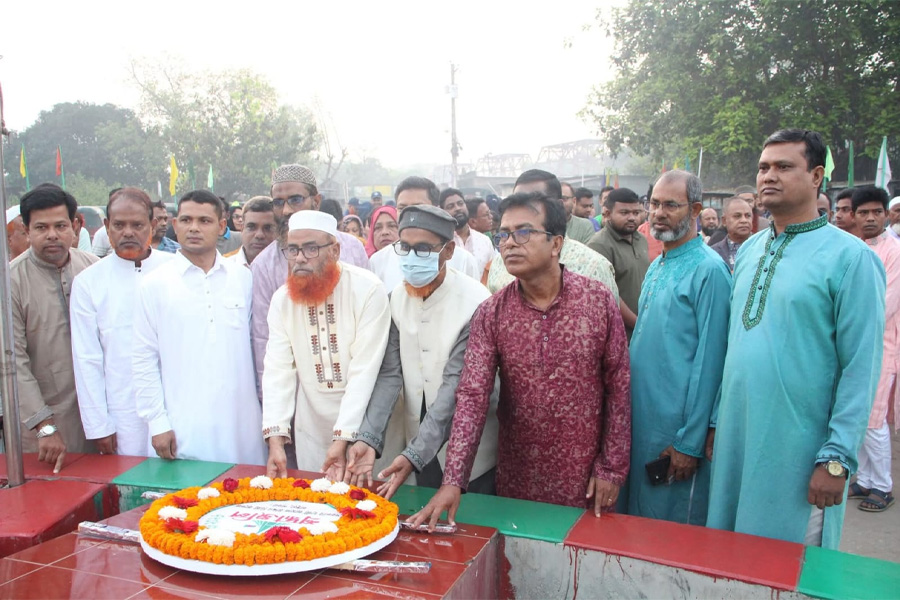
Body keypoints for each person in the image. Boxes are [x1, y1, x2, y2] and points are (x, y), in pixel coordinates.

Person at [409, 191, 631, 530]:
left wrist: (611, 468)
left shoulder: (597, 301)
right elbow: (472, 397)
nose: (510, 243)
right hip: (518, 478)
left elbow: (619, 387)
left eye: (523, 232)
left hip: (586, 479)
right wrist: (453, 480)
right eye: (504, 235)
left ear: (556, 243)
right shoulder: (492, 313)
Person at [707, 129, 885, 549]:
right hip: (736, 439)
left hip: (800, 449)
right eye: (763, 167)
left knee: (787, 565)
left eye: (784, 166)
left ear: (816, 176)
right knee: (730, 559)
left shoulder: (852, 258)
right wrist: (716, 422)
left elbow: (861, 367)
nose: (768, 176)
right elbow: (735, 347)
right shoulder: (749, 250)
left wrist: (837, 458)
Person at [345, 205, 498, 498]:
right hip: (417, 440)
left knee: (470, 520)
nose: (412, 257)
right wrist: (368, 437)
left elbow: (457, 385)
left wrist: (415, 454)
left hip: (471, 453)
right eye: (405, 247)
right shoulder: (395, 298)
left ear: (449, 250)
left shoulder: (477, 302)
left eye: (424, 249)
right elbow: (390, 375)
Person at [625, 171, 732, 525]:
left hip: (677, 428)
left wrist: (690, 441)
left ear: (695, 209)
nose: (658, 213)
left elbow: (712, 363)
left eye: (671, 205)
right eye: (654, 203)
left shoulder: (710, 270)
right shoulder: (658, 264)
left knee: (670, 529)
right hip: (642, 418)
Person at [133, 190, 265, 465]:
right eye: (186, 220)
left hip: (242, 425)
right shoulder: (155, 284)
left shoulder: (243, 278)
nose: (194, 228)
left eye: (204, 221)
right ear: (175, 224)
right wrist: (157, 421)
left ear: (221, 226)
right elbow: (143, 358)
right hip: (184, 426)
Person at [262, 211, 391, 479]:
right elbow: (278, 370)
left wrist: (343, 437)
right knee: (318, 500)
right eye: (293, 249)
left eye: (311, 248)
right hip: (312, 429)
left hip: (366, 431)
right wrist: (275, 439)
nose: (299, 258)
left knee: (369, 502)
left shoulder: (367, 289)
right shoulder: (282, 300)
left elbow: (365, 369)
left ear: (335, 250)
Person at [71, 187, 174, 457]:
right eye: (119, 225)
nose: (128, 232)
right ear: (107, 227)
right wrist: (98, 425)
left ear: (152, 225)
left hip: (177, 404)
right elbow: (87, 359)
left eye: (137, 225)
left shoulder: (176, 270)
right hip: (122, 410)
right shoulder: (88, 282)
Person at [251, 165, 369, 399]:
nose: (286, 210)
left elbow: (369, 327)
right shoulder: (264, 266)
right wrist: (273, 405)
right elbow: (264, 341)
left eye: (295, 200)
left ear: (316, 201)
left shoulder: (352, 249)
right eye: (278, 202)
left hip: (355, 388)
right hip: (298, 396)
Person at [10, 184, 99, 471]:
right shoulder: (10, 282)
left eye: (60, 226)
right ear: (27, 230)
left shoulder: (94, 270)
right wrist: (43, 425)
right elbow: (12, 363)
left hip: (98, 420)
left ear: (75, 226)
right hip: (40, 428)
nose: (52, 235)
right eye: (41, 227)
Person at [487, 171, 619, 301]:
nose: (522, 207)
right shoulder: (499, 265)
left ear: (559, 206)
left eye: (534, 201)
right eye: (517, 201)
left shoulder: (594, 267)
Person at [848, 186, 899, 513]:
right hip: (855, 344)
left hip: (882, 346)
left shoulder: (894, 252)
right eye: (863, 212)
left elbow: (885, 305)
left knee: (874, 419)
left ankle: (883, 486)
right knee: (860, 415)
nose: (870, 218)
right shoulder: (854, 247)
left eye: (876, 212)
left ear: (886, 215)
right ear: (854, 216)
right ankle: (865, 479)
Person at [369, 177, 481, 292]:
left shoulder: (464, 260)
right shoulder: (378, 261)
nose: (410, 215)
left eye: (419, 208)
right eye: (402, 208)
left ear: (437, 210)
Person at [586, 188, 649, 337]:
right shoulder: (599, 245)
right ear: (608, 214)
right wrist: (638, 324)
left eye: (636, 213)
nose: (632, 218)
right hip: (619, 333)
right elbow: (608, 295)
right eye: (624, 213)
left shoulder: (641, 239)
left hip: (644, 327)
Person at [440, 188, 495, 280]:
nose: (457, 208)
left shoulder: (485, 241)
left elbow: (492, 275)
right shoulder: (440, 244)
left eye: (460, 203)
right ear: (442, 211)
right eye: (451, 206)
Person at [224, 196, 276, 268]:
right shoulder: (223, 268)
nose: (259, 235)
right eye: (251, 227)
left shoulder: (287, 268)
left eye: (267, 228)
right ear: (242, 228)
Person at [710, 196, 754, 271]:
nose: (744, 220)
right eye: (737, 216)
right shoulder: (713, 253)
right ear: (724, 221)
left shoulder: (764, 247)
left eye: (748, 216)